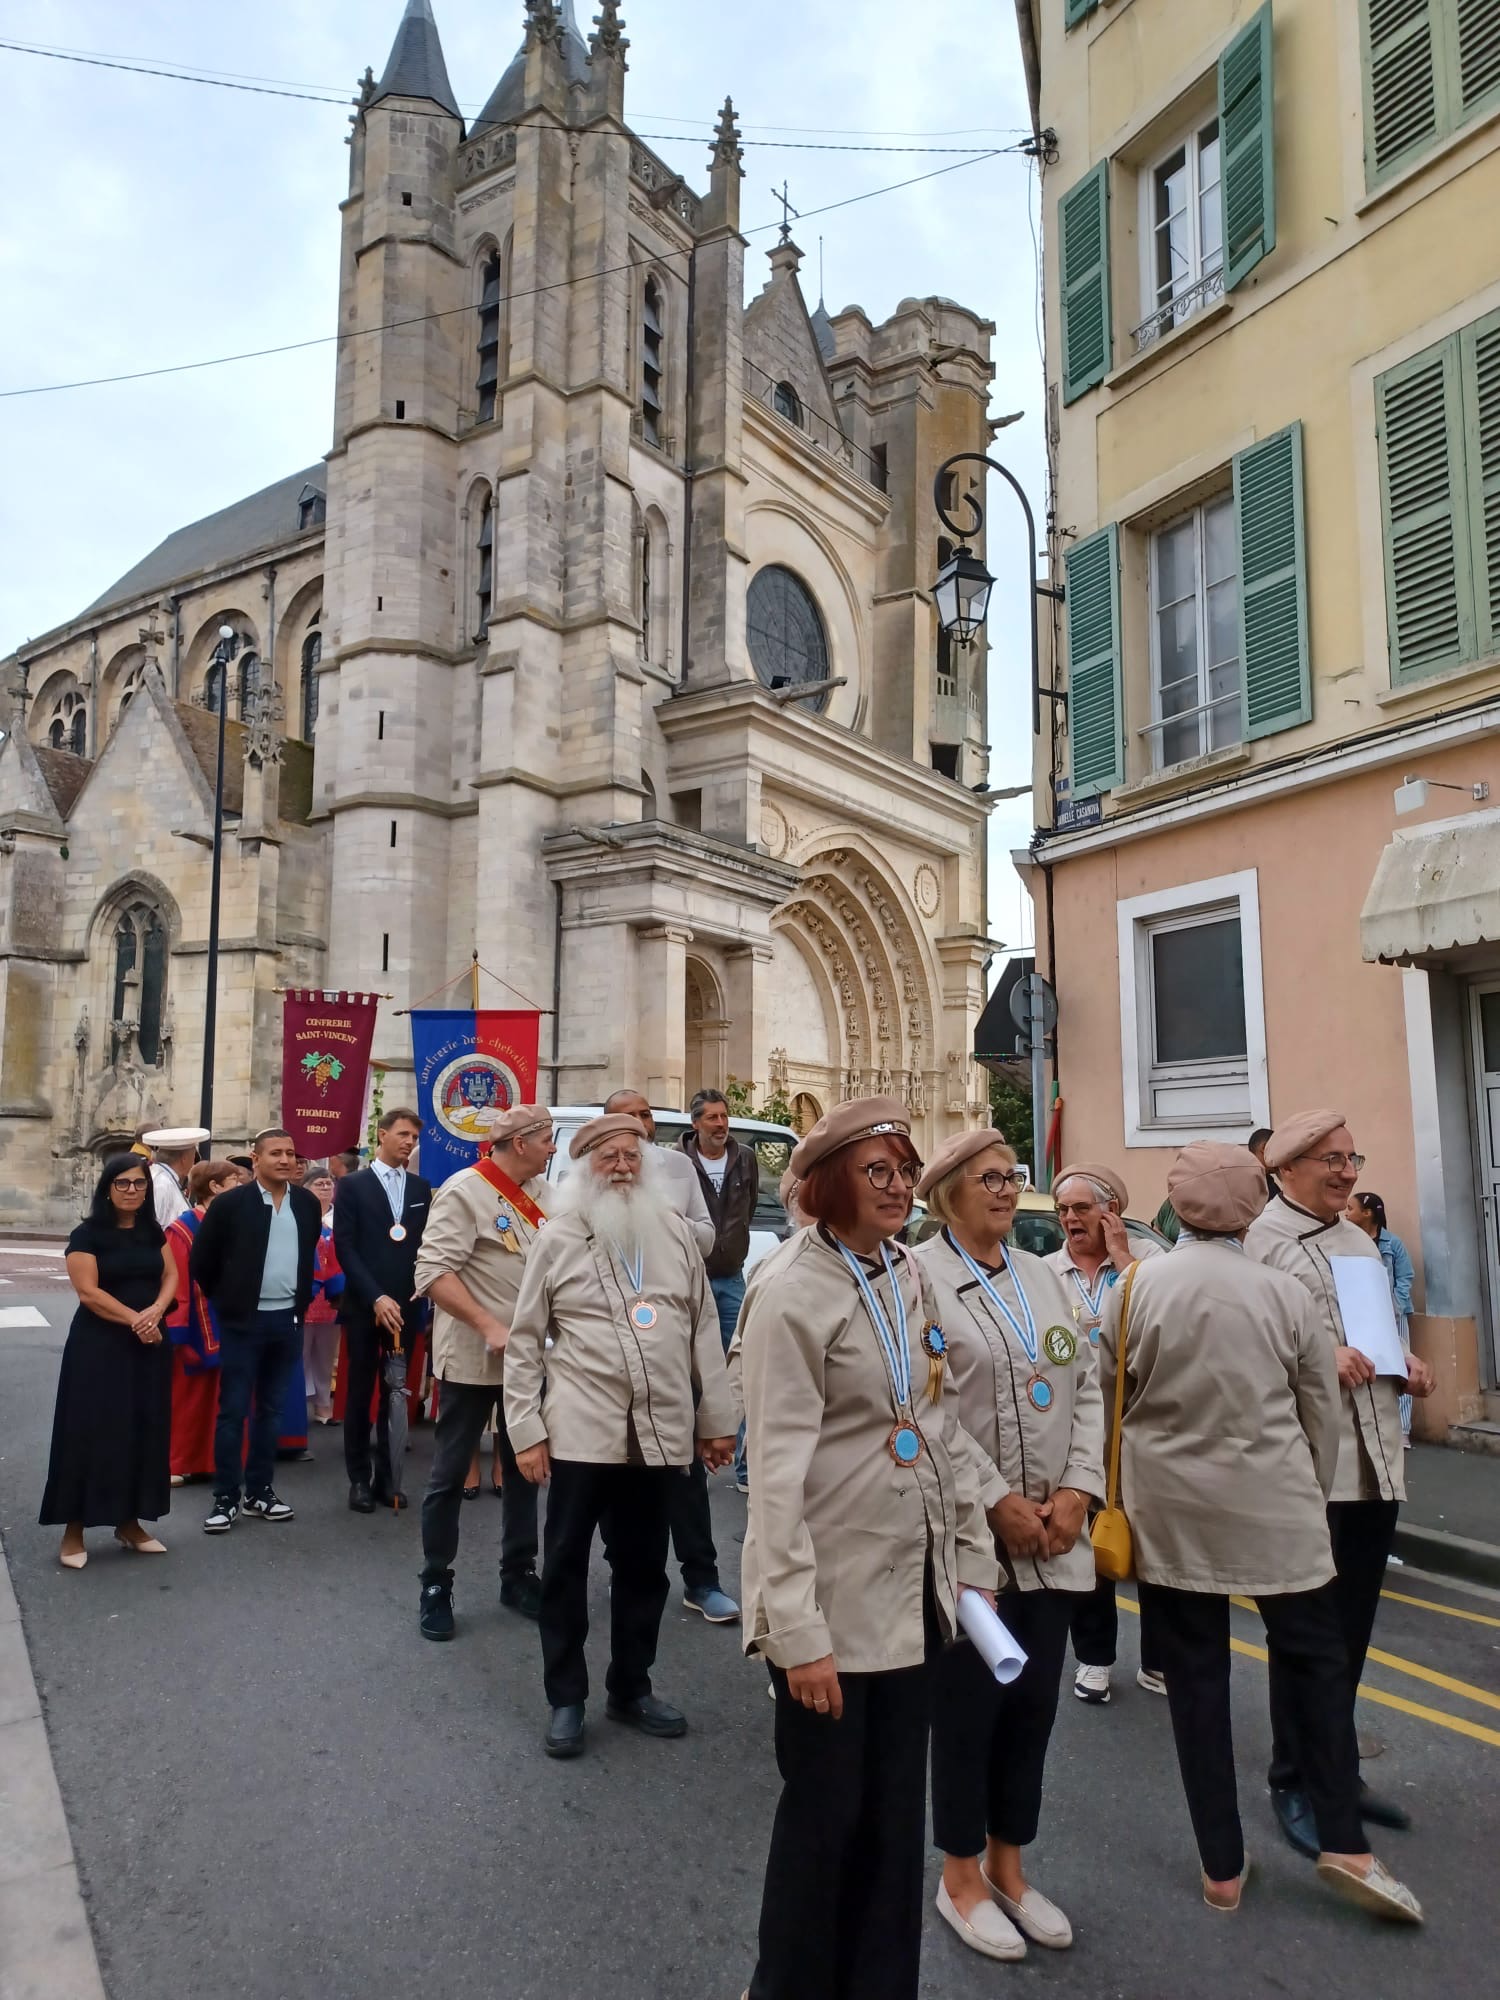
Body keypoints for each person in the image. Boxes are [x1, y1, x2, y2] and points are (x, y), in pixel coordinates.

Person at [1101, 1142, 1422, 1923]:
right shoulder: (1285, 1294)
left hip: (1171, 1507)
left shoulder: (1134, 1287)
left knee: (1196, 1679)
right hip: (1275, 1501)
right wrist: (1306, 1487)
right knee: (1315, 1660)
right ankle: (1344, 1842)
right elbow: (1319, 1412)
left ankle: (1221, 1865)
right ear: (1252, 1206)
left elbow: (1110, 1393)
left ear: (1177, 1206)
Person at [733, 1097, 998, 2000]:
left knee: (891, 1820)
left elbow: (942, 1427)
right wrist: (798, 1634)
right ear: (828, 1183)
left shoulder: (904, 1272)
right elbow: (774, 1479)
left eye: (905, 1169)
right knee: (825, 1821)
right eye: (876, 1171)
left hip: (911, 1594)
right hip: (833, 1604)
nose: (897, 1186)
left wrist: (971, 1565)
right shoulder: (790, 1291)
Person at [914, 1129, 1102, 1960]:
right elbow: (928, 1407)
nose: (1004, 1189)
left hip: (1055, 1538)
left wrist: (1079, 1490)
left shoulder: (1040, 1275)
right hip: (972, 1544)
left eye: (1010, 1176)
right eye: (988, 1178)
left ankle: (1008, 1867)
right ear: (948, 1192)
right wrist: (995, 1500)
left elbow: (1084, 1385)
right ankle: (959, 1877)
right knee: (969, 1712)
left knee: (1032, 1709)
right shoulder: (919, 1278)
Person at [505, 1113, 737, 1759]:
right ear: (584, 1169)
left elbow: (703, 1330)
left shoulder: (674, 1232)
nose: (622, 1166)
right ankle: (566, 1698)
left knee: (644, 1571)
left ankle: (631, 1688)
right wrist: (525, 1430)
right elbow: (525, 1341)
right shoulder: (557, 1237)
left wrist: (717, 1421)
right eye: (608, 1157)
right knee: (565, 1567)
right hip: (582, 1432)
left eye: (632, 1155)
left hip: (661, 1431)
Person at [1247, 1110, 1435, 1854]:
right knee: (1306, 1637)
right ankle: (1293, 1777)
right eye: (1331, 1160)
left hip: (1374, 1461)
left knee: (1350, 1631)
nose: (1347, 1173)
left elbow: (1374, 1331)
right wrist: (1318, 1356)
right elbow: (1248, 1350)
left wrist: (1404, 1360)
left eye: (1352, 1159)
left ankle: (1339, 1771)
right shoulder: (1261, 1244)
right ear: (1286, 1168)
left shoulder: (1357, 1240)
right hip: (1311, 1468)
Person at [414, 1104, 555, 1640]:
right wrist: (489, 1325)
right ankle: (435, 1582)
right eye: (546, 1139)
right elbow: (433, 1272)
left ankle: (518, 1574)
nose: (553, 1149)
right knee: (450, 1473)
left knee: (525, 1470)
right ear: (520, 1143)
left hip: (529, 1360)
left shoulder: (547, 1195)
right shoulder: (464, 1191)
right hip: (474, 1359)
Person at [601, 1087, 737, 1624]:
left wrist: (660, 1222)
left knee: (684, 1470)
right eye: (627, 1117)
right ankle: (624, 1567)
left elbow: (706, 1234)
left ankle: (701, 1579)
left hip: (671, 1337)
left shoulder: (678, 1168)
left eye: (645, 1115)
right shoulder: (589, 1176)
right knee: (615, 1465)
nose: (640, 1123)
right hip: (613, 1346)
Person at [1044, 1162, 1164, 1704]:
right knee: (1090, 1547)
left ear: (1110, 1211)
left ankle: (1158, 1660)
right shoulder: (1044, 1272)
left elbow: (1164, 1323)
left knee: (1154, 1546)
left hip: (1141, 1423)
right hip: (1077, 1427)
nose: (1070, 1218)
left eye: (1081, 1208)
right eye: (1063, 1210)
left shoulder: (1150, 1263)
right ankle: (1094, 1659)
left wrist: (1122, 1260)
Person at [40, 1155, 178, 1568]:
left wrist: (157, 1311)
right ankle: (73, 1530)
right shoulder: (87, 1235)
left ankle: (130, 1523)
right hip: (99, 1347)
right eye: (122, 1183)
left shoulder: (153, 1231)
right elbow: (89, 1293)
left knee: (143, 1429)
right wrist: (139, 1321)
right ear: (107, 1188)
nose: (132, 1190)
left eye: (139, 1183)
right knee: (89, 1431)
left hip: (149, 1344)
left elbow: (171, 1275)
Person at [188, 1127, 322, 1533]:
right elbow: (202, 1262)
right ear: (256, 1157)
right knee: (233, 1411)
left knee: (272, 1411)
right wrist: (230, 1300)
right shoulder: (231, 1204)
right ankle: (226, 1497)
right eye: (276, 1153)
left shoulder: (306, 1203)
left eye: (290, 1153)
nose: (285, 1160)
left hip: (288, 1321)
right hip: (243, 1323)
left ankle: (260, 1492)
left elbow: (307, 1254)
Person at [332, 1106, 431, 1512]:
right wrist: (375, 1296)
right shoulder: (353, 1185)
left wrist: (415, 1291)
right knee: (359, 1392)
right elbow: (345, 1246)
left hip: (405, 1306)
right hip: (364, 1304)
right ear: (383, 1134)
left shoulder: (420, 1188)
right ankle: (359, 1478)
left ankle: (388, 1477)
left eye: (414, 1137)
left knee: (396, 1393)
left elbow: (423, 1244)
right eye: (403, 1134)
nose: (409, 1142)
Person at [681, 1087, 760, 1497]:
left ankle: (744, 1467)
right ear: (695, 1123)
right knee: (686, 1369)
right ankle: (687, 1462)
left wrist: (732, 1247)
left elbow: (747, 1211)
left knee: (741, 1370)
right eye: (711, 1117)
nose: (720, 1124)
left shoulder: (745, 1158)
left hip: (731, 1278)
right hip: (689, 1279)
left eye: (723, 1116)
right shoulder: (678, 1163)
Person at [164, 1159, 241, 1483]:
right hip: (197, 1324)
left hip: (233, 1320)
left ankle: (214, 1461)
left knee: (226, 1397)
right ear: (214, 1187)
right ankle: (177, 1462)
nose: (242, 1186)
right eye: (235, 1181)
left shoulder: (235, 1222)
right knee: (190, 1398)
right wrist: (178, 1333)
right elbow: (177, 1284)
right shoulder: (182, 1229)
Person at [1347, 1192, 1416, 1449]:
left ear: (1367, 1213)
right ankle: (1375, 1428)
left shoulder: (1392, 1243)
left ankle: (1403, 1429)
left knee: (1401, 1367)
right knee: (1370, 1368)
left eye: (1350, 1208)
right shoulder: (1349, 1242)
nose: (1345, 1213)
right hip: (1363, 1314)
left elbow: (1405, 1277)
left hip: (1394, 1313)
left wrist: (1395, 1306)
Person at [303, 1167, 343, 1426]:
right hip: (307, 1293)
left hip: (332, 1296)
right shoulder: (300, 1214)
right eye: (319, 1184)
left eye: (329, 1184)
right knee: (301, 1353)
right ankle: (297, 1404)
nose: (326, 1188)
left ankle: (323, 1403)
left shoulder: (340, 1217)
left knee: (326, 1353)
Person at [142, 1125, 209, 1230]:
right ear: (184, 1159)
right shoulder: (162, 1183)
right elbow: (153, 1227)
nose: (193, 1162)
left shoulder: (165, 1179)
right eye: (193, 1156)